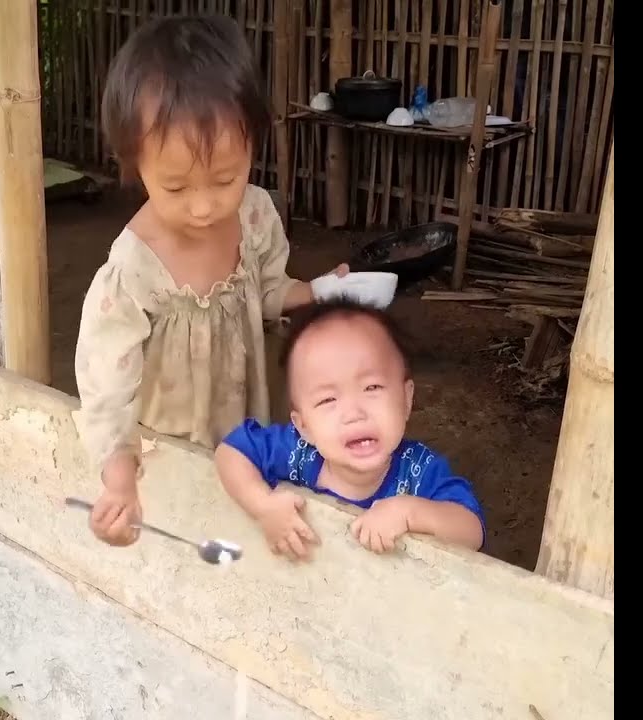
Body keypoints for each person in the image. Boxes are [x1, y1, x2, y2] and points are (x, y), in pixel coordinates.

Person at [73, 14, 347, 547]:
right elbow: (106, 386)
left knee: (238, 530)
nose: (203, 206)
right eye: (175, 187)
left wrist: (316, 291)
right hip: (167, 449)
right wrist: (119, 474)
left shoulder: (255, 216)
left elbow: (267, 291)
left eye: (225, 178)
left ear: (252, 145)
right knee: (180, 541)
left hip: (241, 431)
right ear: (135, 163)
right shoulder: (133, 272)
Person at [216, 299, 486, 559]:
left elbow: (471, 531)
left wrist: (410, 512)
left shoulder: (419, 471)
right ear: (303, 426)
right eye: (327, 400)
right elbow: (231, 451)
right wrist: (263, 505)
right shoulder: (299, 451)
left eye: (372, 387)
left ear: (406, 399)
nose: (354, 413)